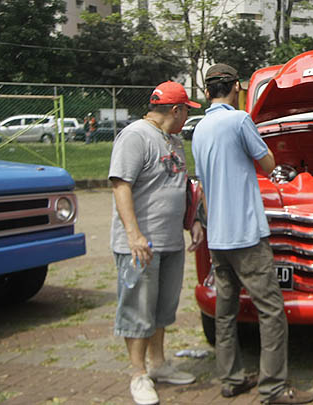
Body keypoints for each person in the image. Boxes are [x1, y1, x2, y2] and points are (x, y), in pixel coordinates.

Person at [192, 63, 313, 405]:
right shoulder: (239, 120)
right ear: (236, 88)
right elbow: (267, 163)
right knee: (271, 310)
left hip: (218, 236)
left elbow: (203, 182)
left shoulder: (200, 128)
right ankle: (273, 388)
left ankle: (231, 379)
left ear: (206, 92)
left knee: (226, 310)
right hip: (246, 234)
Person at [109, 81, 204, 405]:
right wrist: (134, 235)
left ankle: (159, 364)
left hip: (169, 241)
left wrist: (193, 222)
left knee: (162, 308)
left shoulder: (174, 140)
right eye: (185, 112)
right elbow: (121, 186)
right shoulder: (136, 136)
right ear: (175, 110)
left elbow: (182, 186)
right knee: (138, 309)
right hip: (139, 244)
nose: (185, 119)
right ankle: (138, 374)